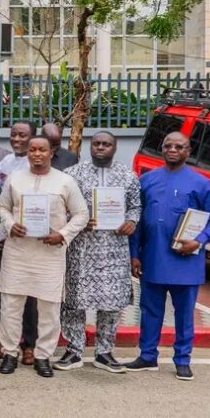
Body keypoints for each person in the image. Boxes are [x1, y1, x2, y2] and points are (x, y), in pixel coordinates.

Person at [126, 131, 210, 380]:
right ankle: (147, 355)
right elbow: (137, 220)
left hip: (186, 263)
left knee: (184, 315)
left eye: (179, 147)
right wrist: (134, 254)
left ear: (188, 151)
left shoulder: (201, 183)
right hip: (152, 259)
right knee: (150, 311)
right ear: (162, 149)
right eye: (167, 145)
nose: (172, 150)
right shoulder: (147, 180)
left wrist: (199, 241)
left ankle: (182, 360)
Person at [0, 136, 89, 377]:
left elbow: (82, 214)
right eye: (33, 150)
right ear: (28, 153)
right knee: (11, 305)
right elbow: (2, 207)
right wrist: (10, 224)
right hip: (18, 252)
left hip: (50, 254)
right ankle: (9, 353)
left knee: (49, 308)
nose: (37, 154)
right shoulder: (15, 178)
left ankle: (43, 356)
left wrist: (63, 234)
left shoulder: (65, 181)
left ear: (51, 153)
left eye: (42, 150)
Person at [56, 132, 141, 373]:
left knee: (111, 302)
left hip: (114, 249)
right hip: (81, 249)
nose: (101, 148)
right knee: (74, 301)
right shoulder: (73, 175)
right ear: (90, 146)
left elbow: (135, 206)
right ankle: (74, 350)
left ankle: (104, 352)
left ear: (115, 147)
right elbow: (61, 207)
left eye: (106, 144)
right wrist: (77, 221)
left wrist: (131, 221)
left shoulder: (128, 176)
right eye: (96, 144)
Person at [0, 120, 39, 362]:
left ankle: (29, 345)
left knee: (29, 294)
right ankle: (6, 343)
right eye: (14, 134)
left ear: (33, 138)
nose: (17, 139)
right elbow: (0, 198)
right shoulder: (6, 162)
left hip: (31, 236)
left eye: (23, 135)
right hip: (6, 234)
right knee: (6, 291)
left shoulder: (36, 164)